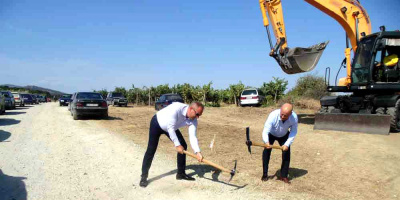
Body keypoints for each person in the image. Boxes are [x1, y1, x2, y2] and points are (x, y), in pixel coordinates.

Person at [139, 102, 204, 188]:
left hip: (171, 127)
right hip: (157, 123)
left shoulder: (193, 120)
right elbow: (170, 128)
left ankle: (180, 174)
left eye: (199, 115)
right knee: (151, 149)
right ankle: (143, 177)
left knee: (183, 145)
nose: (197, 117)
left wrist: (197, 152)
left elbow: (193, 136)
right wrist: (177, 145)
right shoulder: (177, 108)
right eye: (197, 114)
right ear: (191, 109)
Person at [261, 103, 298, 184]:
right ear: (280, 110)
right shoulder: (273, 115)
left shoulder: (294, 117)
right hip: (271, 134)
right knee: (266, 152)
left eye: (285, 115)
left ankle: (283, 176)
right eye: (282, 114)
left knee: (286, 154)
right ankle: (265, 174)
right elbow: (265, 130)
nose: (283, 117)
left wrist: (287, 144)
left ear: (290, 114)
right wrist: (266, 142)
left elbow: (293, 131)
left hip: (284, 134)